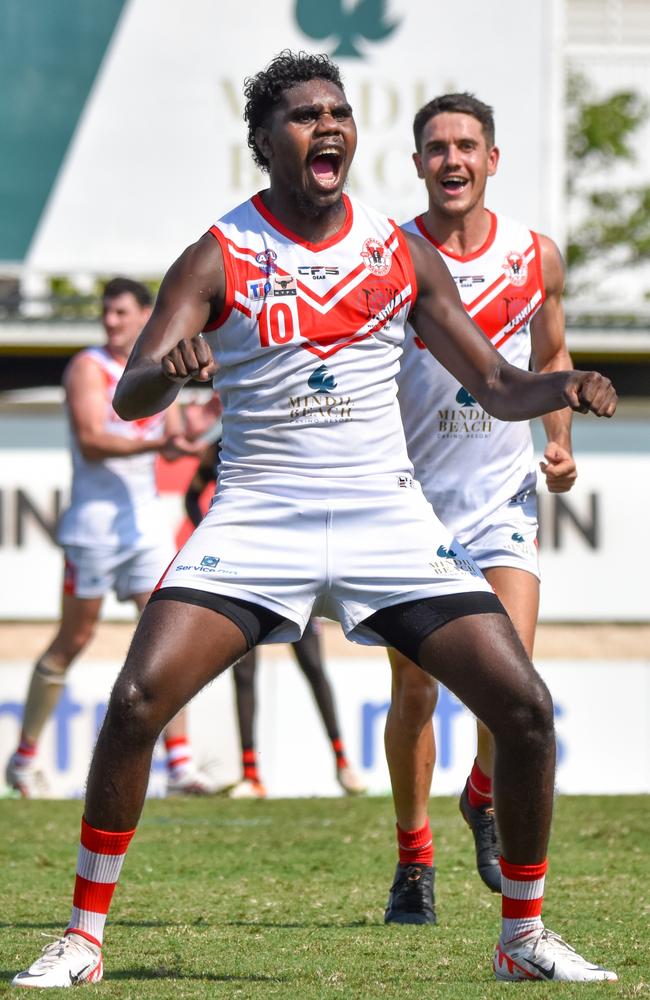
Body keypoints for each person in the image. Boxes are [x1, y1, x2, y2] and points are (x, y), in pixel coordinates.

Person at [12, 52, 618, 988]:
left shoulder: (396, 250)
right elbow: (131, 389)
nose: (327, 125)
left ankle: (521, 937)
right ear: (264, 142)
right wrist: (162, 372)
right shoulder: (221, 252)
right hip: (259, 519)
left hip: (388, 519)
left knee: (525, 708)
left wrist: (563, 384)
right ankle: (83, 937)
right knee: (135, 703)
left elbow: (497, 384)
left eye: (338, 112)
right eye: (302, 116)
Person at [382, 93, 580, 924]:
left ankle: (481, 794)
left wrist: (560, 440)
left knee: (513, 683)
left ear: (492, 159)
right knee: (417, 696)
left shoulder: (537, 256)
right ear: (419, 163)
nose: (452, 160)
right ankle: (413, 860)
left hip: (501, 500)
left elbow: (553, 350)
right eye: (436, 148)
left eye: (467, 146)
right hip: (407, 505)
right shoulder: (388, 256)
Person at [4, 277, 213, 800]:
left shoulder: (156, 367)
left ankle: (181, 765)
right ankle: (24, 758)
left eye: (121, 312)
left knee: (170, 636)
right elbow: (94, 442)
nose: (110, 320)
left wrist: (184, 440)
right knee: (74, 638)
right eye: (106, 312)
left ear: (146, 316)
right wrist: (162, 441)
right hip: (93, 526)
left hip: (143, 523)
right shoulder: (87, 367)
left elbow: (162, 447)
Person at [184, 439, 366, 797]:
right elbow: (190, 496)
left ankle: (344, 766)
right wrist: (208, 532)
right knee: (245, 669)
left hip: (291, 568)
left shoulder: (281, 440)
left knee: (313, 665)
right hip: (242, 571)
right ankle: (252, 775)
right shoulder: (220, 446)